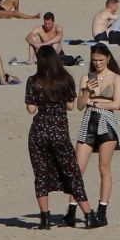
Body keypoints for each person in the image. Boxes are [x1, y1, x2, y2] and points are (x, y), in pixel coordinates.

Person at [26, 46, 95, 230]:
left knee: (40, 175)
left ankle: (45, 219)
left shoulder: (34, 81)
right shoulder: (65, 80)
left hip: (39, 132)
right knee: (72, 173)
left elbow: (31, 109)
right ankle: (88, 214)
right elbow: (71, 106)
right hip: (59, 131)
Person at [72, 43, 120, 227]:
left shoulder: (115, 78)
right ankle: (71, 210)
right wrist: (86, 91)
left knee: (104, 168)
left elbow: (116, 104)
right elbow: (79, 105)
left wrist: (96, 104)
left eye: (101, 60)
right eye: (94, 60)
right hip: (88, 121)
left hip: (107, 122)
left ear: (108, 58)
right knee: (77, 169)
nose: (97, 63)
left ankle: (102, 211)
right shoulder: (86, 77)